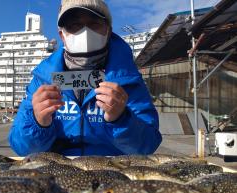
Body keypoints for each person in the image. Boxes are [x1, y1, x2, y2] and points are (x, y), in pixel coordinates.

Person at [9, 0, 162, 156]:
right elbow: (22, 149)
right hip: (56, 168)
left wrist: (121, 119)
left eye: (94, 23)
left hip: (113, 169)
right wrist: (38, 121)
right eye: (74, 25)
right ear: (62, 35)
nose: (85, 31)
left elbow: (147, 146)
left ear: (108, 31)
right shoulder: (42, 79)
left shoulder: (128, 79)